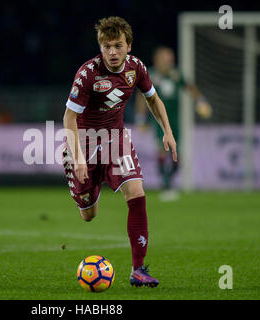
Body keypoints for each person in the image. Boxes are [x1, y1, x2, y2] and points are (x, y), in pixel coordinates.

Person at [62, 16, 177, 287]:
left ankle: (139, 270)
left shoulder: (136, 68)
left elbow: (153, 99)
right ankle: (87, 191)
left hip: (116, 141)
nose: (112, 52)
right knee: (88, 215)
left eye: (117, 46)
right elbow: (69, 119)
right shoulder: (87, 74)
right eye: (106, 47)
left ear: (129, 46)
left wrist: (168, 131)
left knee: (137, 193)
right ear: (100, 47)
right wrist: (77, 157)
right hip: (85, 143)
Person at [135, 46, 212, 201]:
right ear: (157, 60)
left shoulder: (176, 75)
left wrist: (200, 102)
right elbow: (141, 97)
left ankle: (168, 180)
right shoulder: (151, 75)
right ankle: (166, 186)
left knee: (178, 157)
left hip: (176, 120)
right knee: (162, 151)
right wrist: (140, 118)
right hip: (159, 121)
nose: (169, 62)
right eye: (166, 59)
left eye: (170, 59)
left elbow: (190, 88)